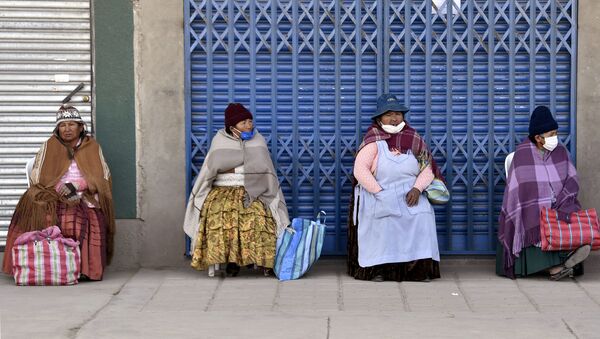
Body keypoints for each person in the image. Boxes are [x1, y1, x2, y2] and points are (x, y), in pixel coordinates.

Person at [2, 104, 115, 281]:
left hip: (83, 192)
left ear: (81, 127)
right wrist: (57, 187)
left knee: (81, 216)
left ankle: (81, 268)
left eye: (71, 124)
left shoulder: (92, 147)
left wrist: (77, 185)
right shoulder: (49, 146)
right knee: (33, 209)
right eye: (63, 125)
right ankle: (39, 264)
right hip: (53, 192)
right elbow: (38, 175)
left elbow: (101, 177)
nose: (67, 129)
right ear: (57, 129)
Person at [183, 103, 290, 276]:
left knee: (260, 217)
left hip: (256, 191)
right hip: (222, 191)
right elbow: (213, 168)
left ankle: (264, 262)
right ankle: (232, 262)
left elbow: (264, 168)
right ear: (232, 127)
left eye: (250, 121)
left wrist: (235, 168)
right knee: (224, 217)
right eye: (244, 123)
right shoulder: (219, 141)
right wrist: (244, 167)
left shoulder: (258, 140)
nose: (249, 125)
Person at [347, 94, 442, 282]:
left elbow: (428, 168)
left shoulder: (414, 138)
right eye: (389, 114)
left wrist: (417, 188)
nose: (394, 118)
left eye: (398, 114)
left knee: (422, 217)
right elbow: (360, 170)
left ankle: (417, 271)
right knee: (384, 224)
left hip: (410, 193)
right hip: (380, 192)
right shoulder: (372, 140)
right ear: (379, 118)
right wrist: (379, 192)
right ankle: (379, 271)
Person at [498, 105, 591, 280]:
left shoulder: (561, 152)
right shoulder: (522, 154)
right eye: (551, 134)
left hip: (561, 204)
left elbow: (571, 180)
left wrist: (562, 199)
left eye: (556, 133)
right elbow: (519, 189)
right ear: (538, 137)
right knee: (538, 215)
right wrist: (543, 200)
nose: (555, 137)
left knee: (568, 213)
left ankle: (566, 259)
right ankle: (556, 267)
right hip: (531, 209)